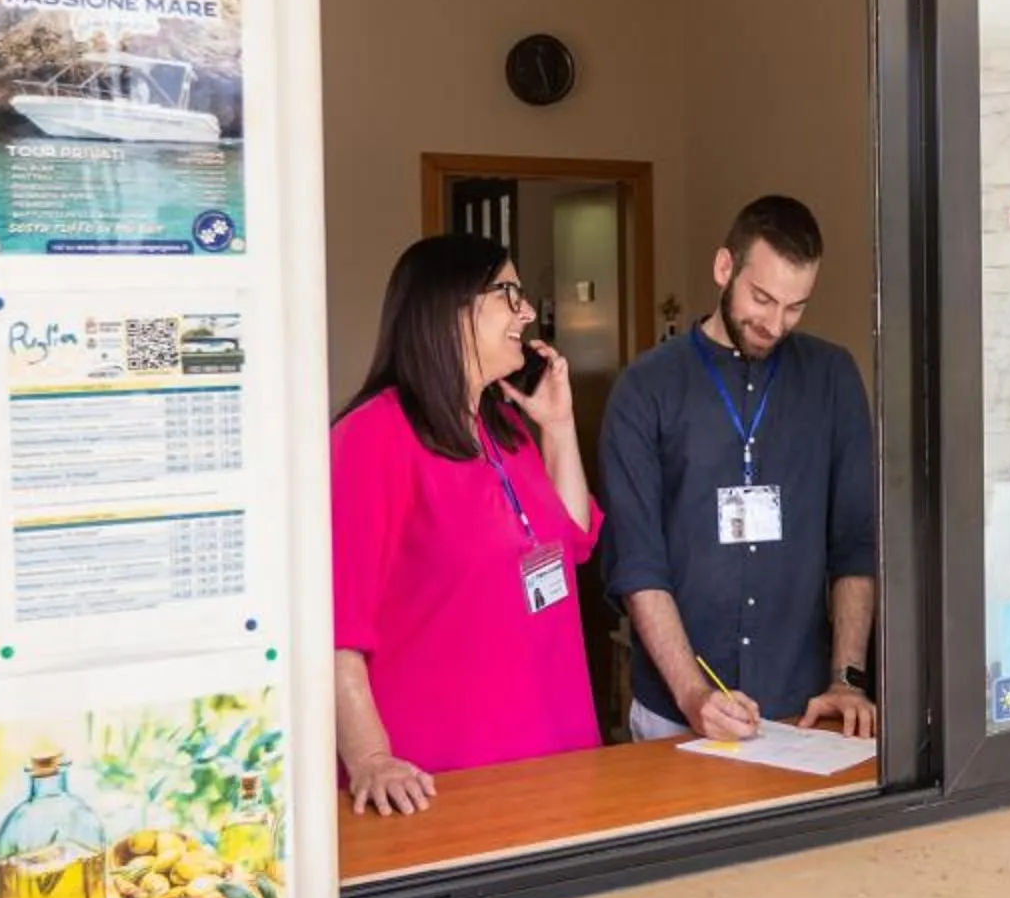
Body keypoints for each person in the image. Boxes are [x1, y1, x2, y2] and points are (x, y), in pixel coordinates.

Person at [330, 233, 601, 815]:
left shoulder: (504, 426)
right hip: (438, 782)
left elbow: (576, 540)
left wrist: (559, 427)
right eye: (510, 293)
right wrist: (371, 758)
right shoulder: (371, 438)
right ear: (450, 307)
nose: (527, 313)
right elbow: (336, 629)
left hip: (556, 755)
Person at [602, 196, 879, 743]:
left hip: (804, 709)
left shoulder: (832, 378)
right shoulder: (645, 388)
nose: (775, 324)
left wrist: (847, 680)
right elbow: (638, 564)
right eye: (762, 298)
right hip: (675, 714)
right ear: (724, 269)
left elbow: (856, 543)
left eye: (796, 307)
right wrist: (692, 694)